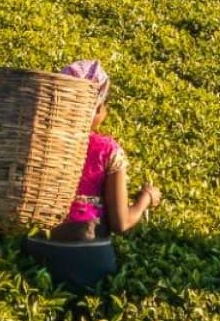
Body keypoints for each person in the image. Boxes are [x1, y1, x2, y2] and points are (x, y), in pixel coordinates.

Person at [47, 58, 160, 242]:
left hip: (35, 249)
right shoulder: (107, 151)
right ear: (98, 107)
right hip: (89, 253)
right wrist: (146, 199)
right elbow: (121, 224)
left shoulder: (41, 142)